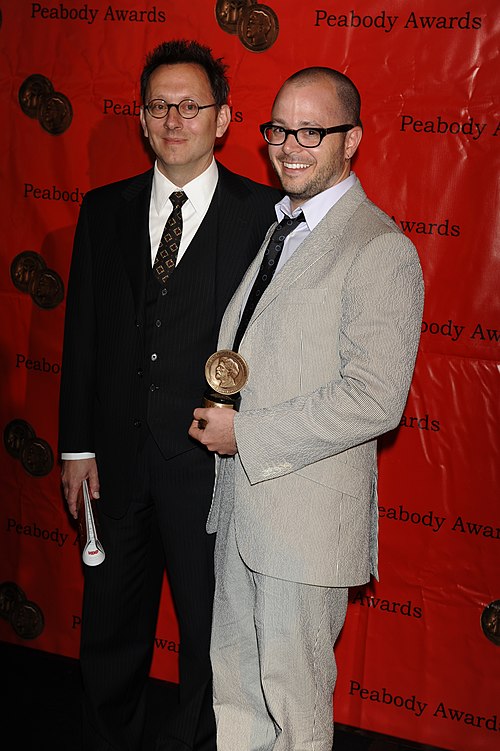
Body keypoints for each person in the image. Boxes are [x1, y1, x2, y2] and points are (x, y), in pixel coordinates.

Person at [189, 66, 424, 750]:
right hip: (241, 505)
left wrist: (247, 431)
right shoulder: (280, 229)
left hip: (304, 523)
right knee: (237, 694)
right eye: (279, 129)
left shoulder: (379, 247)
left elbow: (376, 397)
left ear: (351, 139)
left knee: (293, 707)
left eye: (311, 131)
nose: (289, 146)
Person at [58, 39, 280, 751]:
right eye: (159, 105)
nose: (173, 118)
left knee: (210, 639)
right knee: (110, 630)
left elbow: (280, 346)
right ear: (141, 118)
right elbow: (84, 336)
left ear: (223, 120)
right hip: (116, 462)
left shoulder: (266, 216)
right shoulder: (103, 211)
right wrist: (76, 446)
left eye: (191, 105)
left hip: (212, 472)